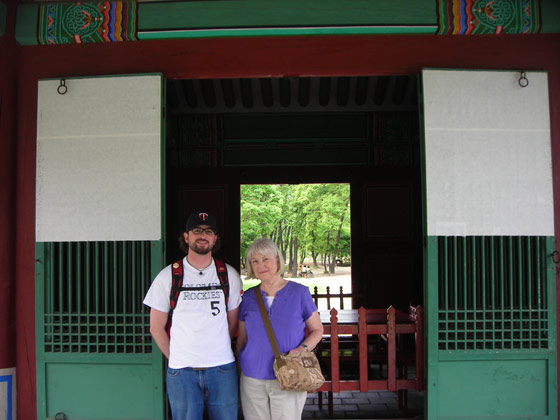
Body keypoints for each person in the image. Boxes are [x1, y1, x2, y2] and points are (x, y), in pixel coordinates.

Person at [143, 211, 242, 420]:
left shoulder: (229, 274)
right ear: (186, 237)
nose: (202, 236)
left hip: (222, 369)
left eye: (209, 231)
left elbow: (233, 322)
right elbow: (155, 326)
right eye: (197, 230)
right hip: (182, 372)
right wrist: (177, 357)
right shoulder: (168, 276)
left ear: (215, 238)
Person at [236, 238, 324, 420]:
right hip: (252, 378)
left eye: (265, 259)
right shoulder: (248, 297)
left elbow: (317, 330)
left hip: (289, 375)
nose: (261, 265)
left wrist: (302, 350)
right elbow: (242, 340)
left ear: (277, 260)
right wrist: (239, 370)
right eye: (255, 261)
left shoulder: (299, 293)